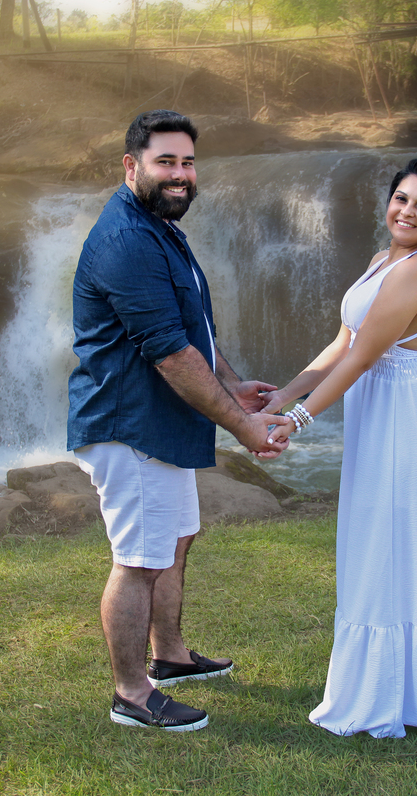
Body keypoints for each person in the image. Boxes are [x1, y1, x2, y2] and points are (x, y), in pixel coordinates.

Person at [67, 110, 291, 732]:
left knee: (176, 538)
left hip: (162, 422)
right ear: (131, 165)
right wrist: (244, 429)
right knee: (138, 560)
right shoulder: (126, 241)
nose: (181, 174)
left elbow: (191, 328)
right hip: (129, 424)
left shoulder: (160, 226)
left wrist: (234, 384)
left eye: (188, 162)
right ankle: (131, 695)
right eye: (166, 161)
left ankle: (167, 656)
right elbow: (168, 351)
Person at [260, 158, 417, 738]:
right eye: (401, 198)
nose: (407, 211)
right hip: (382, 412)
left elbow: (363, 360)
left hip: (407, 420)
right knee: (378, 539)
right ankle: (401, 678)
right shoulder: (383, 260)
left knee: (400, 542)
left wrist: (299, 419)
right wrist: (281, 394)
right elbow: (344, 343)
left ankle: (413, 690)